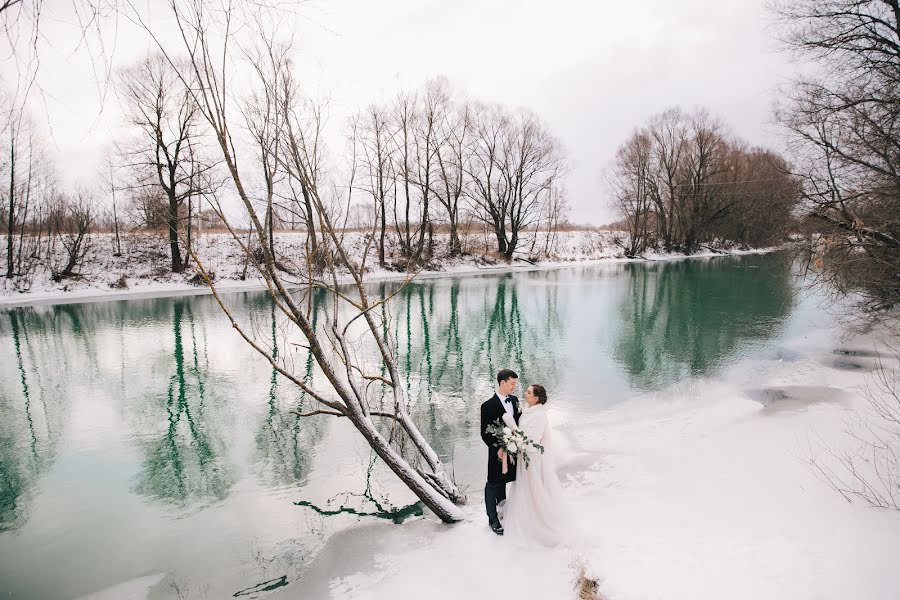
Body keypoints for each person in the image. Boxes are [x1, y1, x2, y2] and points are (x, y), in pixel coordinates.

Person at [501, 384, 572, 546]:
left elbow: (532, 440)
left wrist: (512, 426)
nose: (525, 393)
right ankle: (522, 514)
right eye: (526, 391)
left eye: (528, 392)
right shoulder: (528, 411)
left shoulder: (540, 416)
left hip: (531, 458)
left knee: (532, 488)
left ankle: (537, 520)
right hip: (523, 456)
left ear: (536, 398)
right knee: (522, 487)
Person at [480, 369, 521, 535]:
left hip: (515, 450)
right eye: (512, 383)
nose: (514, 387)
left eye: (515, 384)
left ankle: (505, 510)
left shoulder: (515, 401)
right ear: (502, 382)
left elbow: (518, 424)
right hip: (498, 453)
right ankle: (493, 519)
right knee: (493, 484)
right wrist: (498, 449)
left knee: (511, 481)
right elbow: (485, 433)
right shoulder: (487, 406)